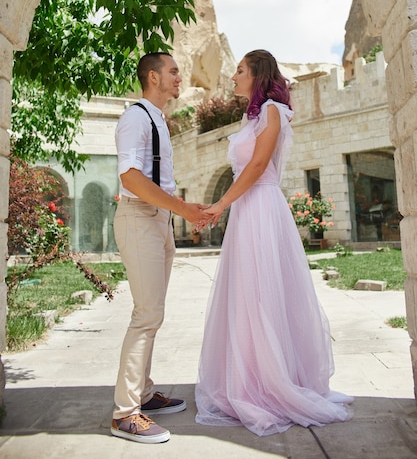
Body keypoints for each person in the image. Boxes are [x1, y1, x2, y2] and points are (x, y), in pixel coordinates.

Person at [195, 49, 353, 436]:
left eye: (239, 69)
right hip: (246, 212)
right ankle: (250, 376)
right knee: (246, 294)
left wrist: (220, 204)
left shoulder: (271, 111)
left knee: (263, 293)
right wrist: (229, 207)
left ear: (258, 74)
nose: (233, 75)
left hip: (261, 208)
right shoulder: (251, 117)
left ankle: (273, 381)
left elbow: (258, 166)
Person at [111, 52, 209, 444]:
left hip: (158, 221)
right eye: (172, 71)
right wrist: (183, 208)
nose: (179, 77)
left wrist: (182, 212)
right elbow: (131, 178)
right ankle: (125, 413)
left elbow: (157, 180)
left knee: (154, 313)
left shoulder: (158, 119)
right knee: (146, 315)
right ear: (153, 77)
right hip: (138, 218)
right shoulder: (135, 116)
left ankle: (145, 395)